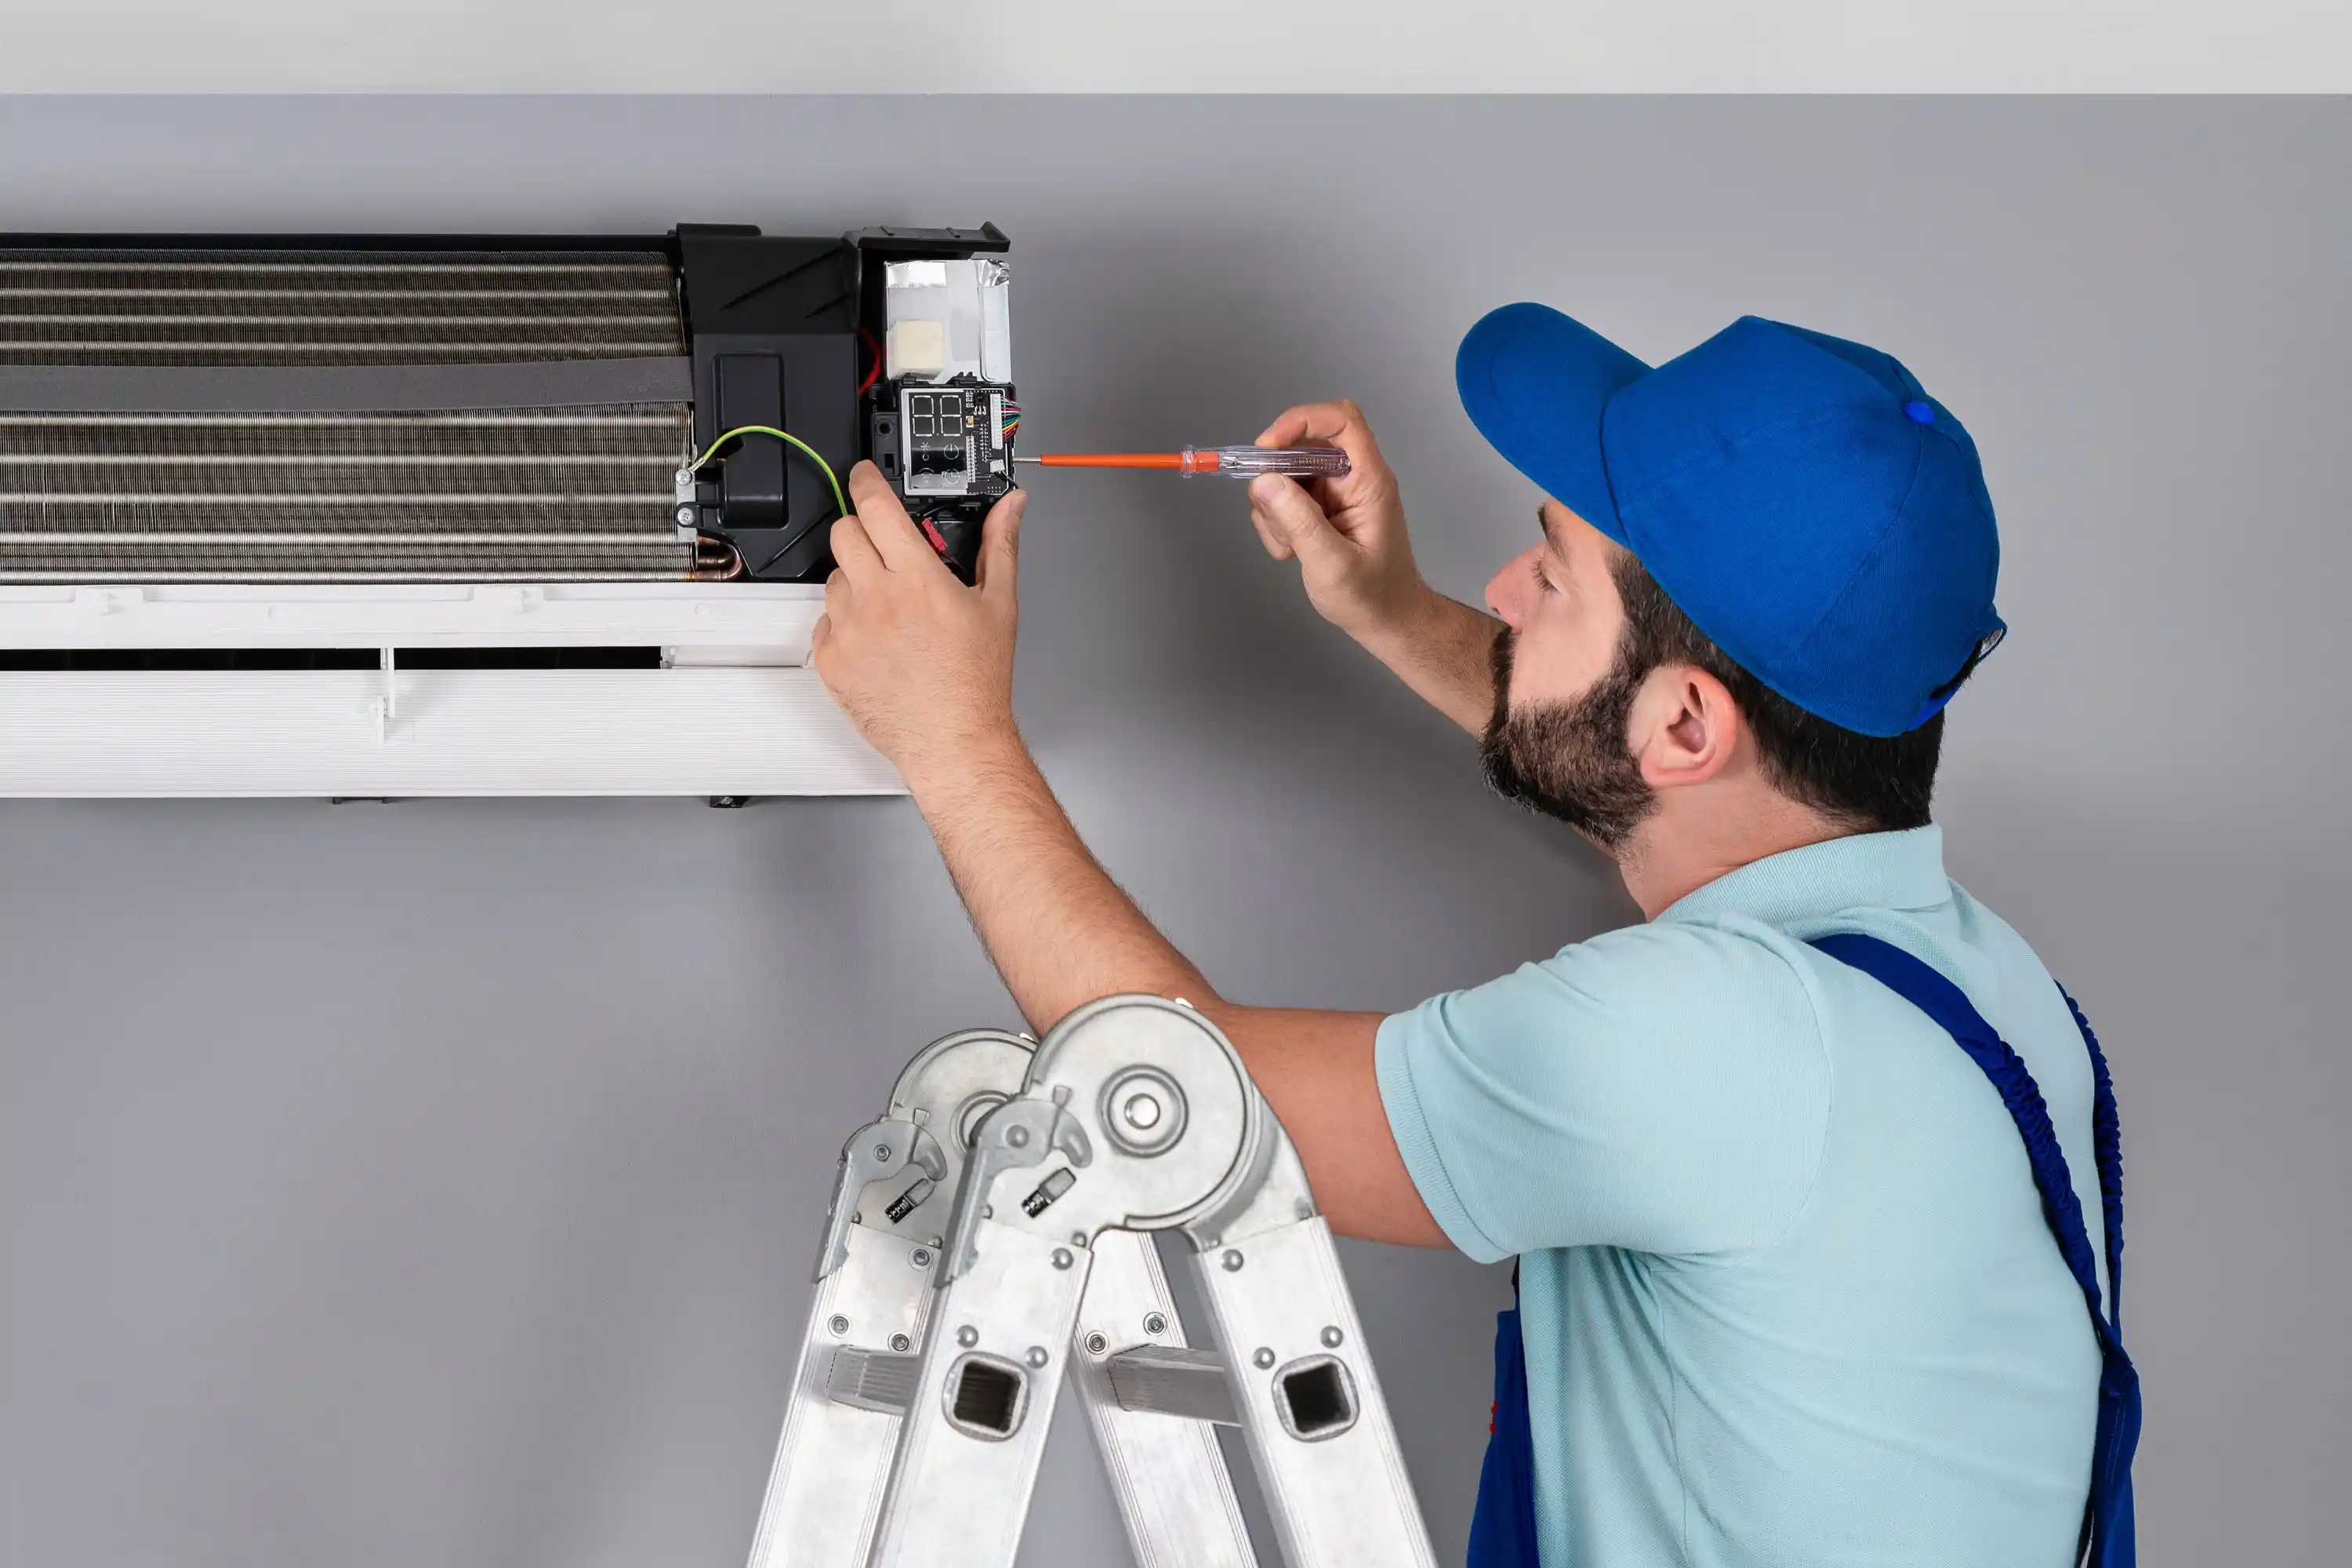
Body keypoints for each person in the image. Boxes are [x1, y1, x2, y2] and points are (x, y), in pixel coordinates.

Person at [808, 304, 2136, 1567]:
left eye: (1551, 573)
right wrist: (1387, 604)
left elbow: (1178, 1098)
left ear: (1686, 726)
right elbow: (1656, 787)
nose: (1504, 587)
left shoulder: (1703, 1041)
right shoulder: (1973, 985)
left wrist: (952, 734)